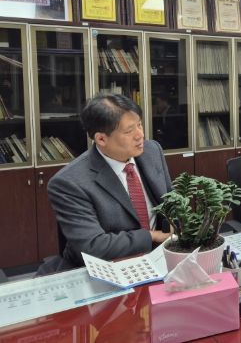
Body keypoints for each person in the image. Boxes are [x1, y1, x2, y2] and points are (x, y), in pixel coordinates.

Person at [44, 94, 173, 271]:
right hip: (105, 268)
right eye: (129, 131)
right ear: (101, 139)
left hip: (160, 259)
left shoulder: (152, 151)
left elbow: (172, 202)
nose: (140, 135)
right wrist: (151, 236)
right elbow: (93, 246)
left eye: (139, 125)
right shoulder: (69, 182)